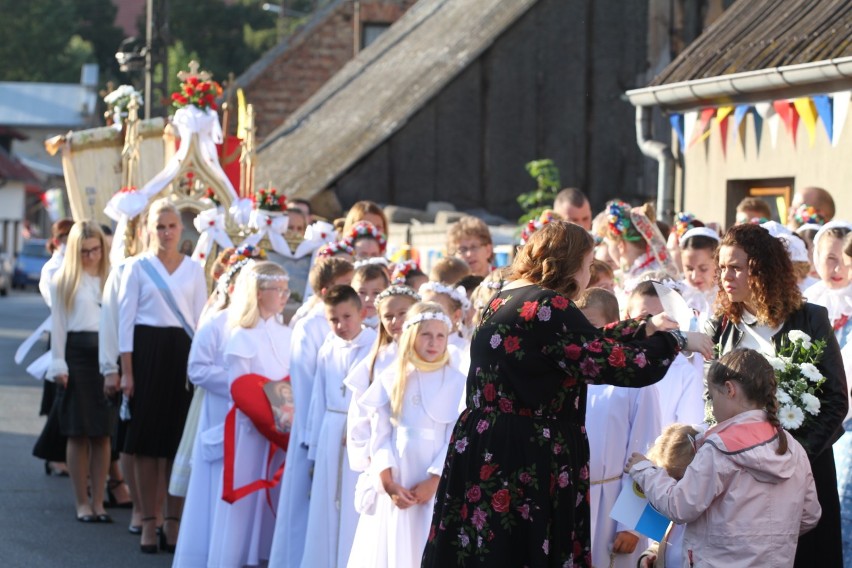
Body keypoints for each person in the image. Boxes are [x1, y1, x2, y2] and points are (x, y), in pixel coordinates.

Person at [422, 220, 713, 567]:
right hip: (525, 453)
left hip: (486, 446)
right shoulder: (551, 306)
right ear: (570, 263)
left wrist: (644, 326)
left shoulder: (505, 299)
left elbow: (575, 343)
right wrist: (676, 340)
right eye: (589, 265)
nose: (589, 274)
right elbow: (616, 364)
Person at [705, 222, 847, 567]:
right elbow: (711, 400)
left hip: (803, 469)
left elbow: (835, 400)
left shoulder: (810, 319)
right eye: (722, 267)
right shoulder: (722, 325)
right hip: (742, 477)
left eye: (736, 267)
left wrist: (791, 455)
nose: (726, 276)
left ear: (762, 269)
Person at [626, 349, 821, 567]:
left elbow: (680, 506)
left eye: (711, 395)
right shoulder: (793, 448)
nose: (711, 405)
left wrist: (645, 470)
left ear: (729, 389)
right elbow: (810, 515)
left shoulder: (719, 447)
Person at [119, 198, 207, 553]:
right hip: (146, 353)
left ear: (181, 229)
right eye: (159, 226)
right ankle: (147, 518)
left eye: (171, 226)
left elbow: (200, 323)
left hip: (182, 357)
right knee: (144, 443)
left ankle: (173, 520)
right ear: (148, 230)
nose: (166, 232)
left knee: (176, 442)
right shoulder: (137, 268)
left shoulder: (195, 270)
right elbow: (125, 323)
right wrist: (127, 372)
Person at [350, 302, 466, 567]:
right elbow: (379, 435)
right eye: (426, 334)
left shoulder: (456, 382)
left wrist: (435, 480)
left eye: (440, 336)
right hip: (398, 480)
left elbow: (455, 439)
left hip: (434, 482)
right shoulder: (393, 378)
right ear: (412, 335)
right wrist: (389, 483)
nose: (433, 342)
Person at [268, 257, 354, 568]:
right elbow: (304, 387)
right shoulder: (310, 326)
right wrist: (310, 437)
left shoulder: (351, 321)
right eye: (347, 283)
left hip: (337, 430)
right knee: (303, 507)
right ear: (327, 288)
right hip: (312, 431)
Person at [207, 260, 292, 568]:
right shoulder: (241, 335)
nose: (284, 295)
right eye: (277, 289)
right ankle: (234, 558)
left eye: (286, 289)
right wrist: (265, 416)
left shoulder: (287, 333)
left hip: (280, 428)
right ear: (257, 293)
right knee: (246, 496)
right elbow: (238, 387)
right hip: (250, 430)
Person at [172, 254, 253, 568]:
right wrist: (240, 383)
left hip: (251, 419)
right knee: (214, 483)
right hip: (220, 410)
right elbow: (197, 370)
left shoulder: (267, 325)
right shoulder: (217, 323)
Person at [577, 288, 662, 568]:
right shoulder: (568, 374)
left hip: (614, 506)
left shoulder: (636, 380)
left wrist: (632, 524)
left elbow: (648, 448)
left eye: (591, 326)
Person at [302, 285, 377, 568]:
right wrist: (315, 445)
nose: (341, 325)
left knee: (351, 505)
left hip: (358, 434)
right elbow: (317, 398)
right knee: (326, 504)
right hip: (331, 427)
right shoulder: (328, 347)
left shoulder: (374, 346)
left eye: (347, 317)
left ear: (362, 313)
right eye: (334, 319)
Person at [47, 221, 113, 523]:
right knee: (77, 432)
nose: (91, 256)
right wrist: (58, 363)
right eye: (85, 251)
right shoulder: (63, 280)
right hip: (77, 354)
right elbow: (58, 325)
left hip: (105, 355)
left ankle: (99, 501)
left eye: (96, 249)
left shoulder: (111, 277)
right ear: (75, 251)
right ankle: (81, 502)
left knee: (102, 433)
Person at [635, 423, 700, 568]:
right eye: (667, 480)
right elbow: (667, 540)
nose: (673, 487)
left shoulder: (705, 517)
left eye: (679, 479)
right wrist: (652, 554)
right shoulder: (669, 505)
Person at [803, 221, 852, 348]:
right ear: (817, 257)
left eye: (846, 260)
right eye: (831, 258)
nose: (838, 269)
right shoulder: (809, 298)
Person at [352, 262, 390, 329]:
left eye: (376, 293)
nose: (368, 299)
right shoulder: (343, 327)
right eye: (362, 292)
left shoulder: (392, 328)